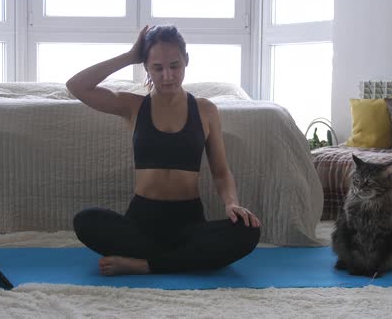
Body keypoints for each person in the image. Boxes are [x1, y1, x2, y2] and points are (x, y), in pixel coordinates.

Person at [67, 24, 261, 276]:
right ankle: (178, 261)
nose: (167, 75)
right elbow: (77, 86)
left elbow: (221, 172)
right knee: (85, 220)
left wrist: (232, 204)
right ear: (146, 66)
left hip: (189, 224)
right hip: (141, 223)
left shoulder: (205, 110)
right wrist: (129, 56)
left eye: (175, 66)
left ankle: (145, 264)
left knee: (248, 231)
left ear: (186, 61)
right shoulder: (133, 106)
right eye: (157, 68)